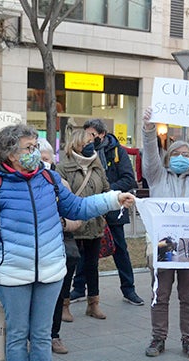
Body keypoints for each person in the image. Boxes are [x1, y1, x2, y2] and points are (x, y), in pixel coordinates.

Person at [0, 124, 135, 361]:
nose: (35, 153)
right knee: (18, 336)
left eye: (37, 147)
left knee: (43, 335)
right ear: (9, 152)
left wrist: (113, 199)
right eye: (28, 148)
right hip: (12, 276)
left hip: (50, 273)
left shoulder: (48, 178)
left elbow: (76, 207)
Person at [141, 107, 189, 358]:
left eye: (187, 154)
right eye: (177, 153)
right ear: (169, 157)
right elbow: (151, 154)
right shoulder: (156, 177)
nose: (182, 157)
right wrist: (148, 129)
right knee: (160, 295)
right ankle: (158, 339)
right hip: (163, 244)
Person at [69, 119, 143, 306]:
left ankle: (129, 289)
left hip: (112, 208)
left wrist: (107, 192)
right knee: (83, 251)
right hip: (89, 209)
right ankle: (79, 288)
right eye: (87, 135)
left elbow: (129, 179)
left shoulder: (117, 152)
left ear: (102, 134)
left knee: (120, 249)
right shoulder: (82, 151)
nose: (89, 139)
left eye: (92, 134)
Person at [58, 129, 113, 320]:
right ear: (76, 144)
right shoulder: (63, 167)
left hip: (95, 224)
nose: (91, 146)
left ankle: (93, 304)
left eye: (92, 142)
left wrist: (103, 211)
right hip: (73, 225)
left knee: (92, 265)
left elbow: (106, 189)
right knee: (69, 266)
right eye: (87, 142)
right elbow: (61, 196)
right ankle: (64, 305)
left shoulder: (97, 165)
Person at [40, 139, 80, 355]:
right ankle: (33, 336)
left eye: (45, 159)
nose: (41, 163)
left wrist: (62, 223)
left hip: (59, 246)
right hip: (35, 251)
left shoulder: (61, 184)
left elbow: (77, 217)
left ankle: (54, 335)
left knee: (57, 294)